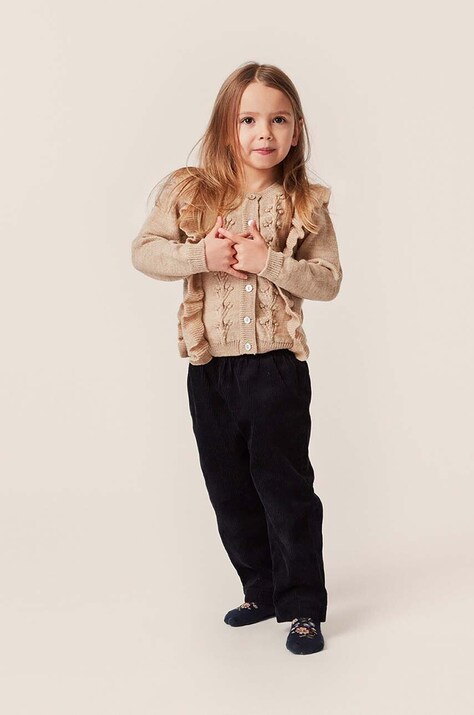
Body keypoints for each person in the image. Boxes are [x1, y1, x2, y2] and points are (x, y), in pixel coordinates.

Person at [131, 61, 343, 655]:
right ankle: (261, 589)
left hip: (276, 369)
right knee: (228, 487)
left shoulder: (303, 202)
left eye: (279, 120)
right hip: (210, 370)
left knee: (285, 488)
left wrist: (266, 261)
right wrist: (201, 255)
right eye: (248, 119)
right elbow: (144, 251)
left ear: (296, 130)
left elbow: (328, 280)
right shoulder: (192, 192)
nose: (263, 133)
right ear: (227, 126)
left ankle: (303, 606)